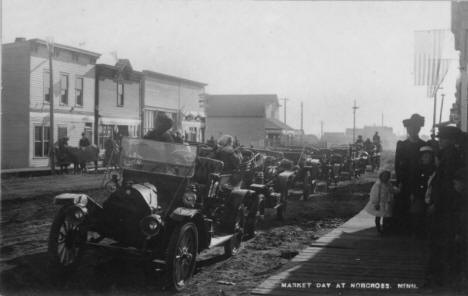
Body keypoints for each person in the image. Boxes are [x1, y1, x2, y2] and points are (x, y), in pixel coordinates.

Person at [427, 125, 464, 286]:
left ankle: (439, 277)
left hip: (444, 206)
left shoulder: (449, 157)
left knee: (441, 240)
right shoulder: (449, 154)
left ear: (449, 140)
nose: (440, 141)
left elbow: (444, 185)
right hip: (446, 205)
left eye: (442, 138)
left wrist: (436, 203)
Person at [394, 113, 426, 233]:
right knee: (403, 203)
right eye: (410, 128)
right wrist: (399, 181)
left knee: (418, 204)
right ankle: (403, 229)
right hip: (405, 180)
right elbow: (397, 166)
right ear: (407, 129)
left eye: (415, 128)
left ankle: (417, 230)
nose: (412, 130)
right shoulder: (401, 145)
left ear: (419, 129)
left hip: (419, 180)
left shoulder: (424, 145)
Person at [411, 146, 435, 238]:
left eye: (428, 156)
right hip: (419, 194)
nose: (426, 158)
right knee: (417, 214)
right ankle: (417, 232)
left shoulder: (433, 169)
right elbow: (414, 181)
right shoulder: (417, 169)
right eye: (424, 156)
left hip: (429, 195)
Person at [364, 169, 399, 234]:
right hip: (379, 203)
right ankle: (379, 229)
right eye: (384, 176)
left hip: (386, 203)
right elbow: (375, 194)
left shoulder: (388, 184)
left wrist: (398, 190)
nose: (385, 177)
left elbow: (392, 190)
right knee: (378, 216)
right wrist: (376, 203)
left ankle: (384, 229)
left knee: (386, 217)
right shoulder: (378, 184)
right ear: (381, 176)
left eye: (387, 176)